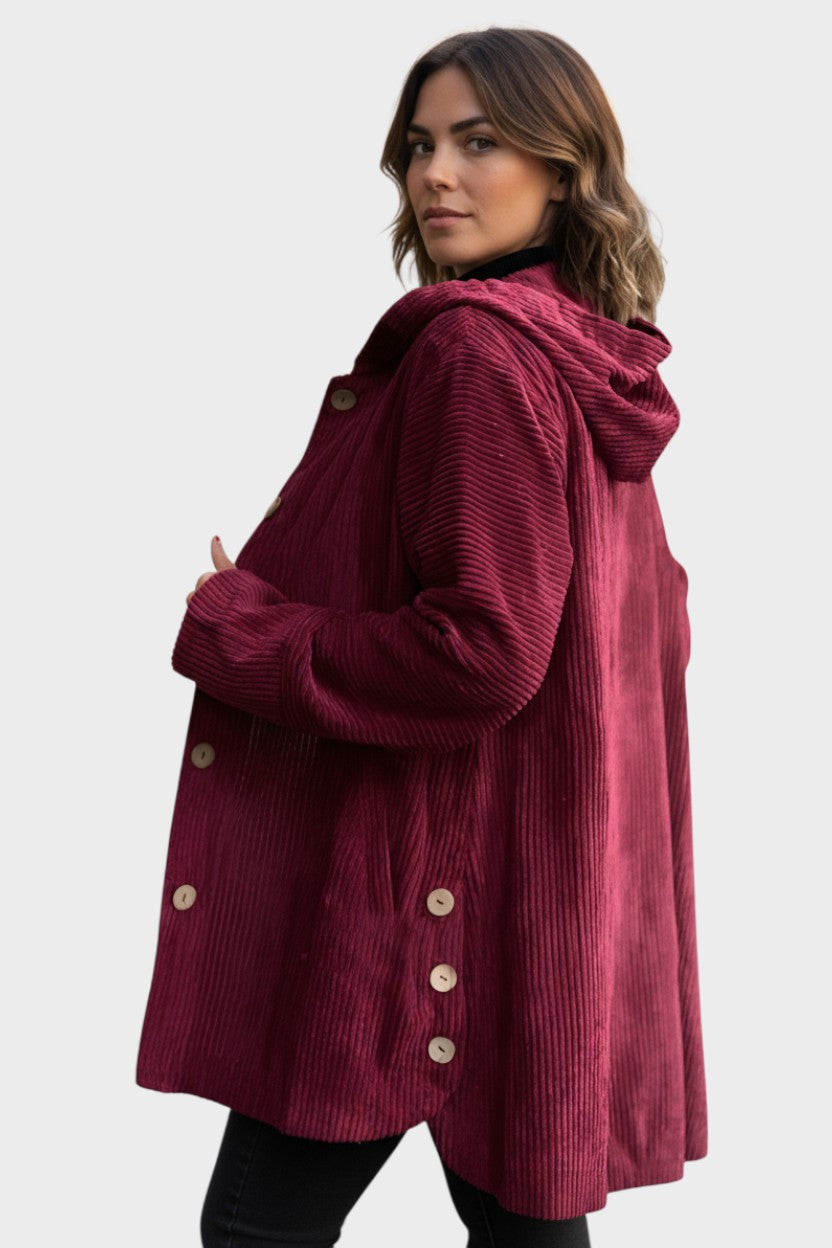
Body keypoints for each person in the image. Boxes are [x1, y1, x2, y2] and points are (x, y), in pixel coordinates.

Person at [136, 26, 707, 1248]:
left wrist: (244, 628)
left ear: (564, 171)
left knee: (256, 1232)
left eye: (479, 142)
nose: (435, 174)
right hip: (539, 898)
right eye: (418, 145)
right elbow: (645, 629)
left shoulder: (475, 353)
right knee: (521, 1230)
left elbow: (484, 653)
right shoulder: (584, 358)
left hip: (415, 889)